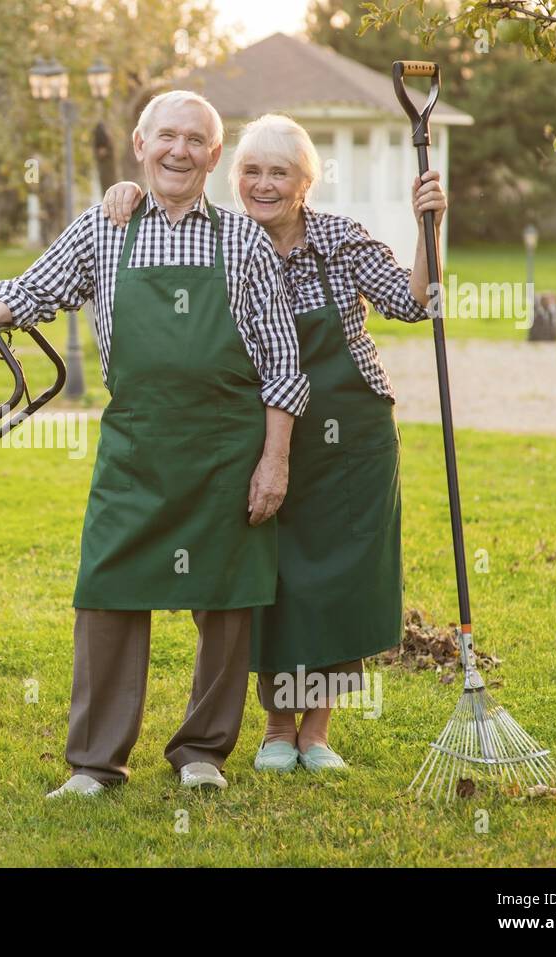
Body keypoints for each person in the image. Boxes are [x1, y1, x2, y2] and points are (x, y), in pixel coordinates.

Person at [0, 92, 308, 797]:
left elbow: (282, 364)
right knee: (107, 591)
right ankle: (95, 762)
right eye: (165, 136)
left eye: (194, 139)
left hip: (226, 447)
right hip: (137, 447)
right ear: (140, 144)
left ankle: (203, 750)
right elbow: (36, 287)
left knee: (228, 600)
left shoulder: (244, 242)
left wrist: (275, 460)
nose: (179, 150)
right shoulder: (104, 227)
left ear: (214, 154)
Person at [103, 112, 447, 772]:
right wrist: (128, 194)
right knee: (270, 579)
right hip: (257, 437)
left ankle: (315, 731)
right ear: (233, 178)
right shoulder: (222, 242)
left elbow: (417, 304)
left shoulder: (342, 241)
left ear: (304, 182)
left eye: (279, 173)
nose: (264, 184)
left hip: (351, 437)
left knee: (337, 580)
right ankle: (275, 726)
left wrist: (432, 225)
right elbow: (156, 221)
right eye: (252, 172)